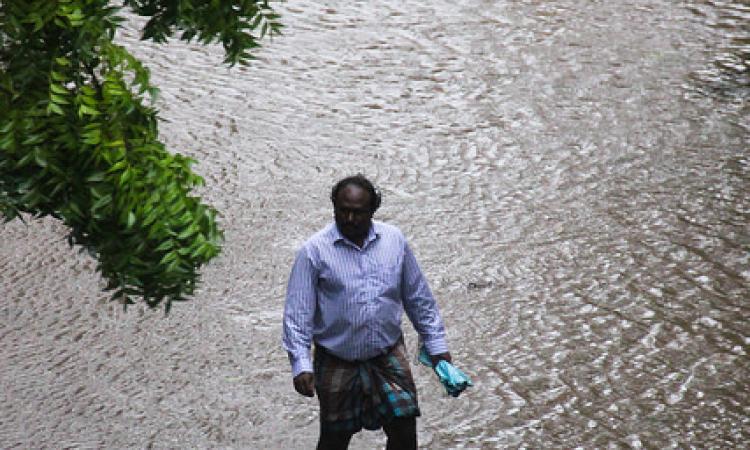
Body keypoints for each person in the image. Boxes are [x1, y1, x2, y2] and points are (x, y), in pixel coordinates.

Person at [282, 174, 452, 450]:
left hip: (387, 354)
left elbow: (418, 296)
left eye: (358, 212)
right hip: (337, 358)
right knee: (335, 437)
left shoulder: (394, 241)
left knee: (405, 430)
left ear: (372, 211)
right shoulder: (314, 251)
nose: (349, 218)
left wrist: (436, 344)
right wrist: (300, 364)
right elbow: (297, 314)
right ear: (334, 208)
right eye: (342, 211)